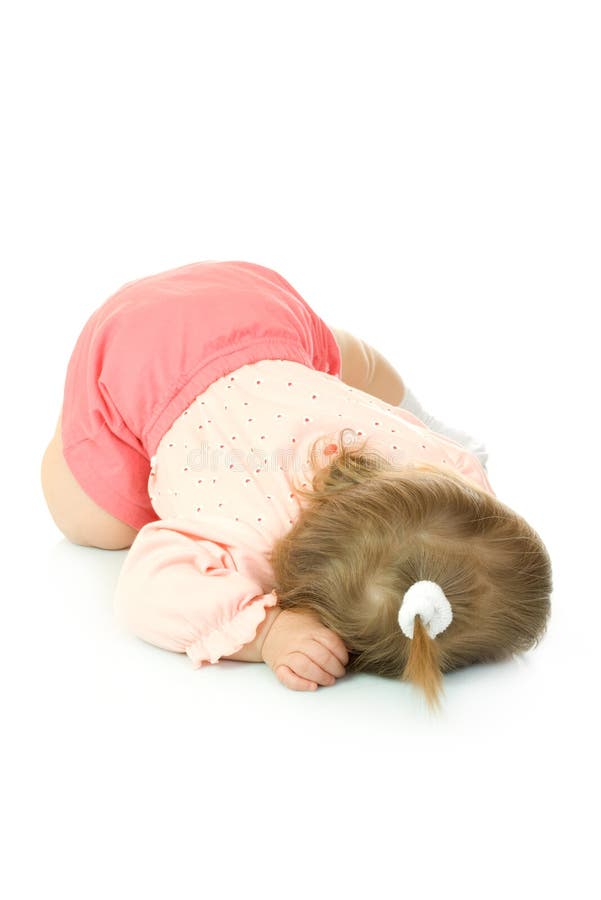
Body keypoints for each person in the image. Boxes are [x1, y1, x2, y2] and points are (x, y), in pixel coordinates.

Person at [40, 260, 553, 710]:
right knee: (93, 525)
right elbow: (144, 591)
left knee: (356, 364)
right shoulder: (248, 540)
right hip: (131, 365)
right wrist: (264, 632)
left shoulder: (422, 459)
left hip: (248, 311)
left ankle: (422, 409)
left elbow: (467, 486)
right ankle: (82, 416)